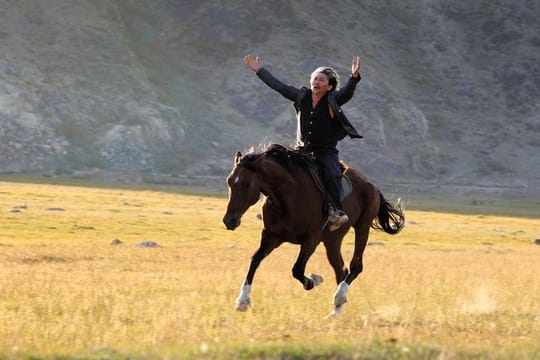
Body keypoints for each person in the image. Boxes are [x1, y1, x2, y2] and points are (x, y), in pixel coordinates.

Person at [244, 54, 363, 231]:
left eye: (321, 80)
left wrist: (353, 79)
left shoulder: (332, 101)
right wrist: (259, 71)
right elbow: (280, 87)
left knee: (331, 174)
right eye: (314, 78)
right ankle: (273, 207)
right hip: (301, 151)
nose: (316, 81)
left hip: (325, 152)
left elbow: (346, 94)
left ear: (329, 86)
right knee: (275, 166)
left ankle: (337, 212)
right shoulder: (302, 96)